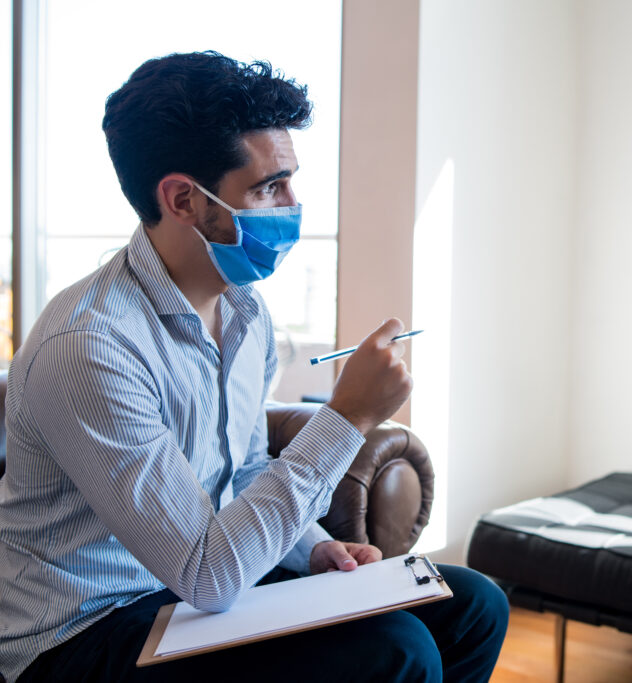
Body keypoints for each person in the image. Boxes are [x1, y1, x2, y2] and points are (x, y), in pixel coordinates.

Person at [0, 51, 508, 682]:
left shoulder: (244, 313)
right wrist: (345, 416)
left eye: (290, 180)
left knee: (473, 607)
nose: (293, 203)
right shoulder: (87, 348)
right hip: (84, 632)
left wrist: (312, 547)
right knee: (398, 649)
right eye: (270, 186)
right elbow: (207, 572)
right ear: (184, 199)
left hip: (192, 590)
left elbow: (242, 471)